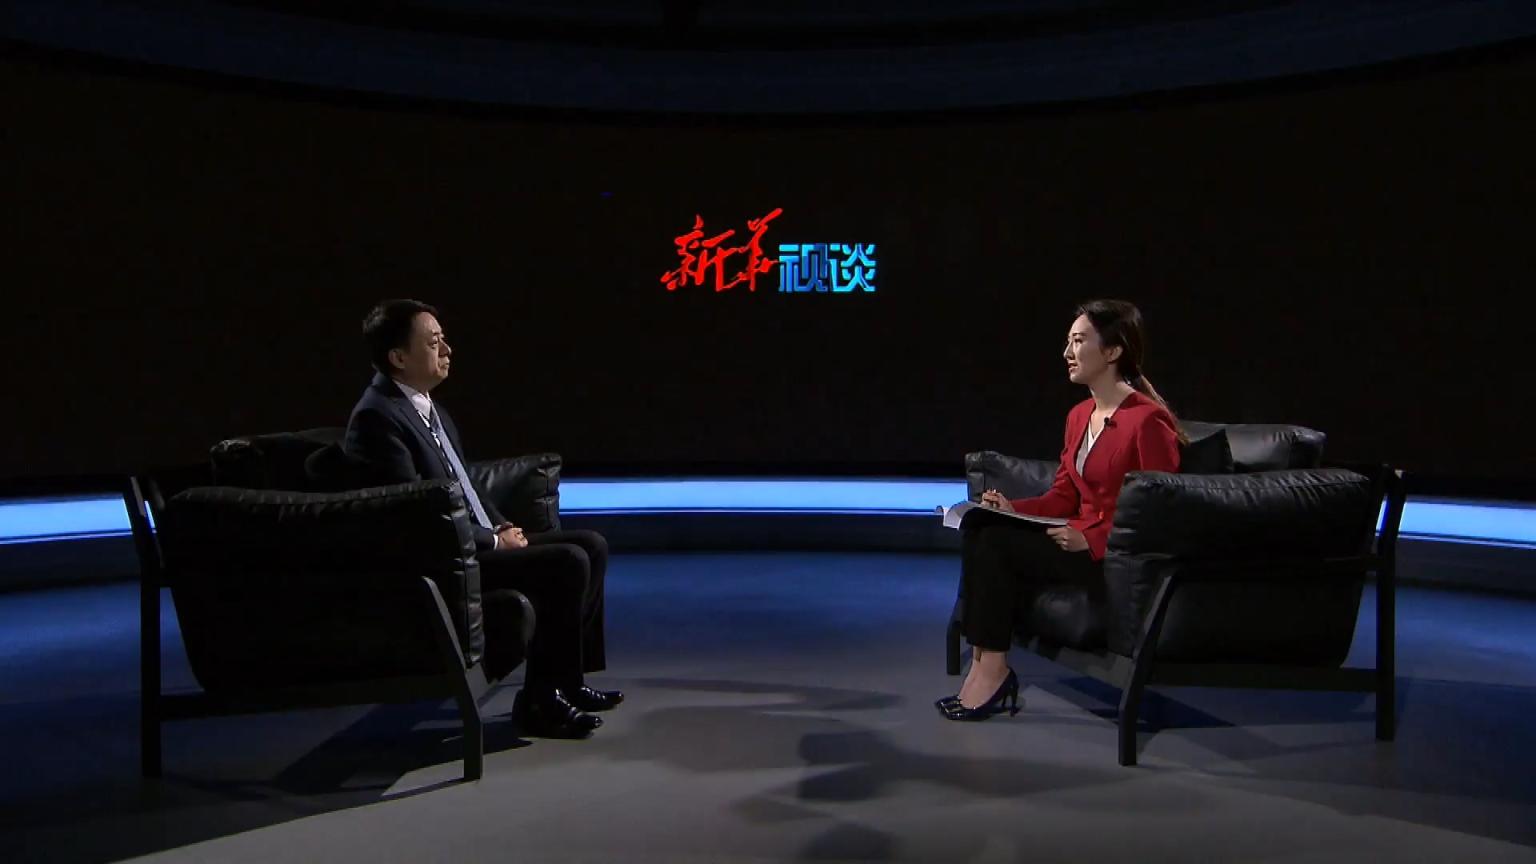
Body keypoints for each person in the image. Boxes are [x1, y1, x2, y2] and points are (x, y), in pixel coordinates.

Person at [343, 299, 621, 739]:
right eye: (433, 343)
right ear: (398, 357)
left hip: (471, 541)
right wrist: (491, 542)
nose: (447, 350)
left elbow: (465, 483)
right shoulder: (377, 418)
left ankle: (568, 681)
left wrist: (500, 525)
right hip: (441, 562)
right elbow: (415, 518)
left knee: (592, 544)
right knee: (567, 562)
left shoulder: (426, 407)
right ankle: (540, 701)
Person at [939, 299, 1184, 721]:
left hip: (1111, 557)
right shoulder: (1079, 416)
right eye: (1068, 341)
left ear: (1113, 351)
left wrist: (1092, 538)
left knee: (996, 544)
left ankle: (993, 673)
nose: (1067, 352)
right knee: (983, 528)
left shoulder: (1147, 421)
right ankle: (983, 665)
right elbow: (1063, 496)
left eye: (1079, 341)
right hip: (1072, 542)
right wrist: (1011, 508)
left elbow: (1161, 512)